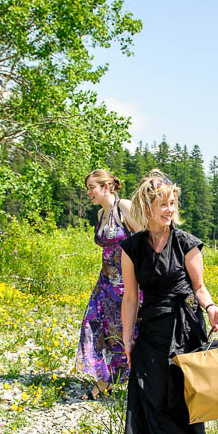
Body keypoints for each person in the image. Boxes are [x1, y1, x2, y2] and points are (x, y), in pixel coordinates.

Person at [119, 169, 218, 434]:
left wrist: (210, 307)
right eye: (163, 204)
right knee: (146, 398)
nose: (170, 210)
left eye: (172, 204)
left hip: (183, 328)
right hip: (151, 330)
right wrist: (127, 338)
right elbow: (130, 297)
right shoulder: (132, 247)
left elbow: (199, 287)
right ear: (146, 207)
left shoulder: (185, 242)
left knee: (181, 402)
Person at [75, 169, 140, 400]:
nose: (89, 193)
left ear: (107, 186)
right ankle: (105, 380)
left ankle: (134, 381)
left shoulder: (124, 207)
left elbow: (144, 239)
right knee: (96, 327)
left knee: (127, 331)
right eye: (88, 188)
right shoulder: (102, 215)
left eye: (92, 187)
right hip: (106, 282)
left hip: (128, 282)